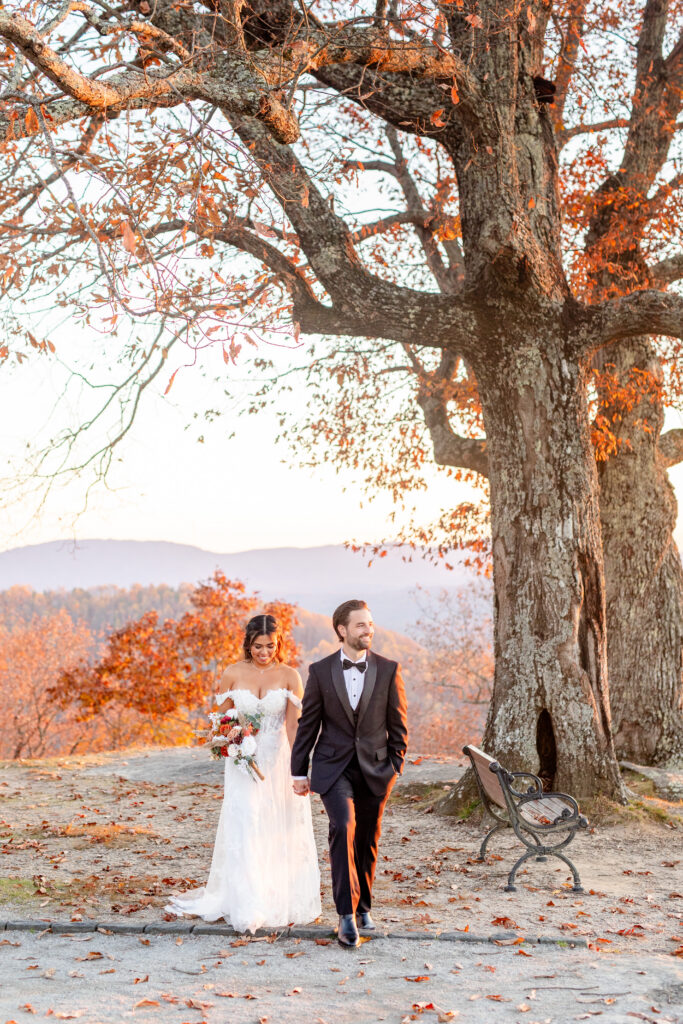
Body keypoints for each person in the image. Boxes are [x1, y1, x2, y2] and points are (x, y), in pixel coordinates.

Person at [166, 613, 321, 932]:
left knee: (275, 825)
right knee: (247, 822)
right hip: (240, 763)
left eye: (270, 646)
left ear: (279, 644)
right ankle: (248, 901)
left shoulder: (291, 675)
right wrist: (230, 739)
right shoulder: (232, 673)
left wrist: (300, 770)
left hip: (276, 762)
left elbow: (293, 726)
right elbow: (219, 723)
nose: (264, 652)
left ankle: (275, 895)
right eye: (257, 646)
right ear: (247, 644)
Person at [291, 599, 408, 948]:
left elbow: (398, 726)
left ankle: (364, 907)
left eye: (370, 624)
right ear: (342, 630)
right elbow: (308, 724)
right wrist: (299, 770)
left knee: (367, 840)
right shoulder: (320, 671)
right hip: (333, 768)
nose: (368, 630)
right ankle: (345, 915)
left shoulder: (389, 669)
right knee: (342, 828)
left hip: (376, 770)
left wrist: (394, 768)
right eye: (361, 625)